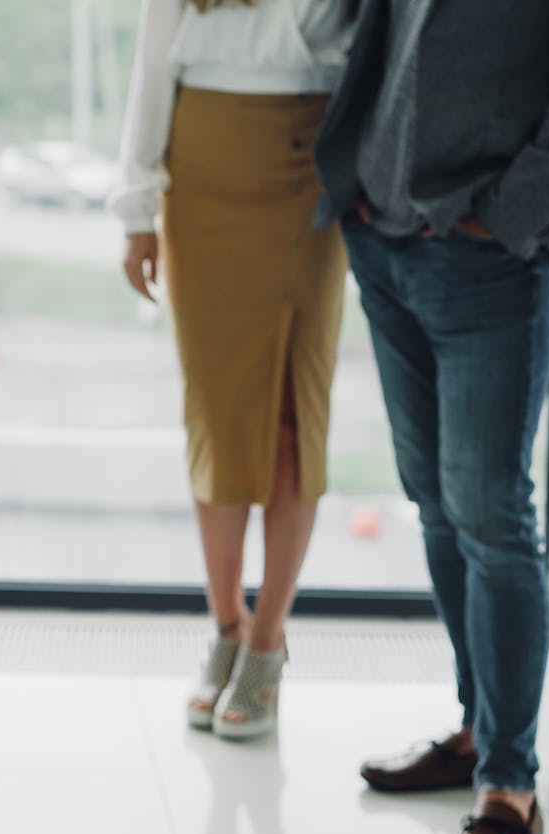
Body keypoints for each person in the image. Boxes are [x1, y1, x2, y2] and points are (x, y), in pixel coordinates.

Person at [311, 0, 549, 834]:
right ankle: (477, 731)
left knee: (491, 514)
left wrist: (507, 215)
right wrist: (359, 190)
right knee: (436, 502)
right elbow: (344, 27)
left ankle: (509, 786)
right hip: (382, 233)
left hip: (491, 252)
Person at [111, 0, 357, 740]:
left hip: (317, 153)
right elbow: (154, 61)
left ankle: (266, 642)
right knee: (217, 413)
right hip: (206, 160)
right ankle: (226, 624)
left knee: (294, 412)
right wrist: (136, 210)